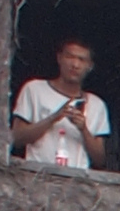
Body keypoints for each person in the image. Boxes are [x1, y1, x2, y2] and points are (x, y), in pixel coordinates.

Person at [11, 34, 110, 171]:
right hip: (37, 175)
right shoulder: (34, 89)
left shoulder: (96, 105)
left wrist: (83, 129)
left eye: (81, 60)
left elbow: (100, 159)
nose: (75, 64)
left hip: (77, 180)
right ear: (59, 58)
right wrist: (54, 118)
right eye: (70, 57)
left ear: (90, 66)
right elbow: (16, 139)